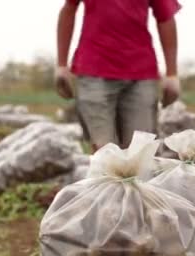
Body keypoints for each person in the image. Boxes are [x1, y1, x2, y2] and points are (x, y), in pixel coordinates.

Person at [56, 0, 181, 150]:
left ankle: (134, 173)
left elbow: (165, 18)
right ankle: (105, 172)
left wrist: (172, 73)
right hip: (93, 70)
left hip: (141, 72)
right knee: (104, 149)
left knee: (140, 148)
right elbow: (69, 9)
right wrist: (61, 65)